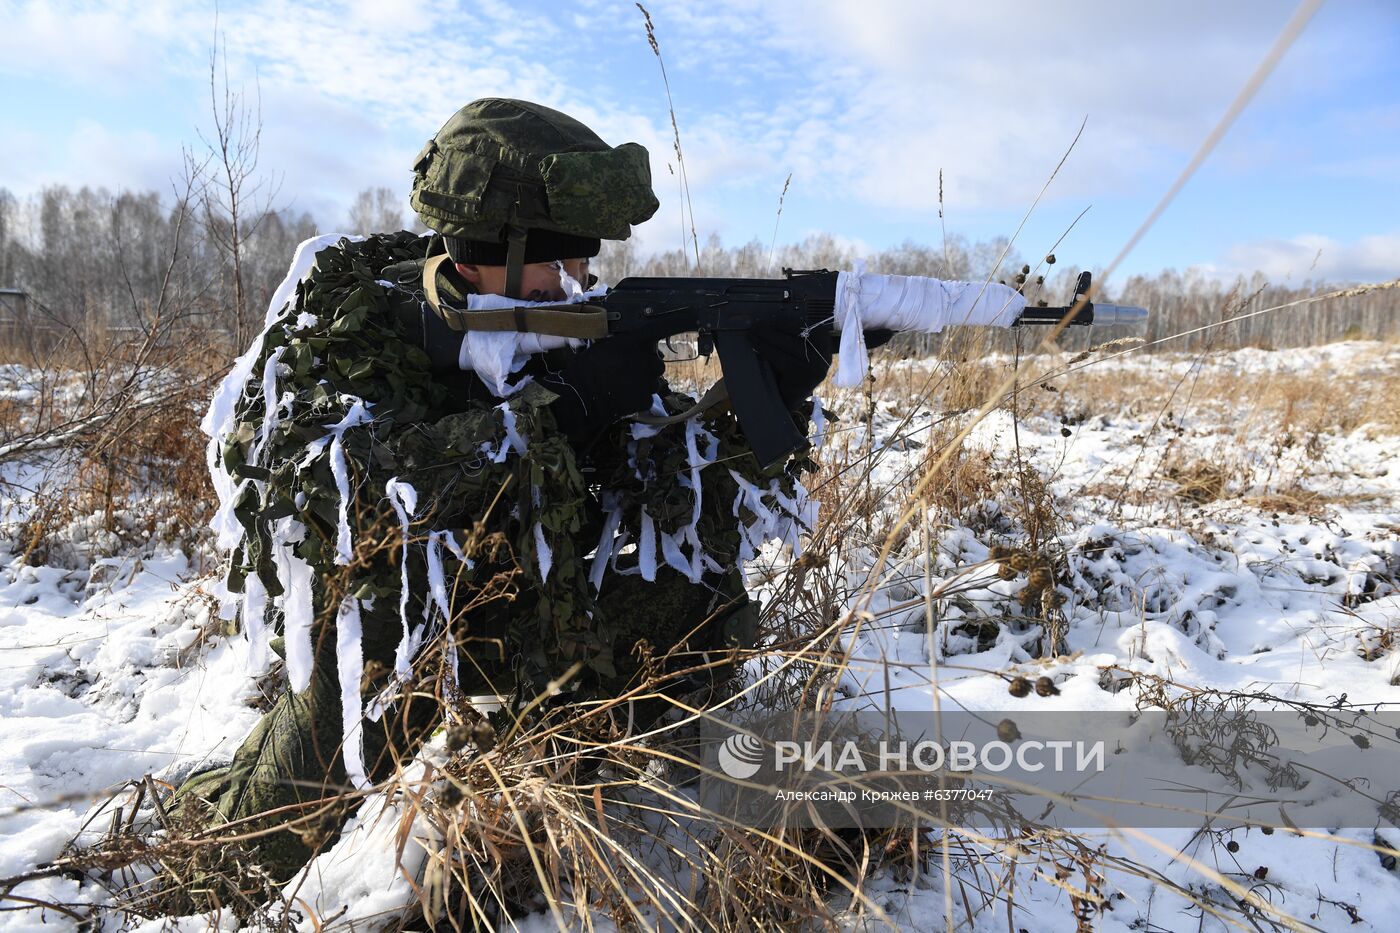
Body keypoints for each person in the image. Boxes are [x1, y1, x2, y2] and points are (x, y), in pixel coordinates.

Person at [170, 98, 832, 890]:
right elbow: (364, 514)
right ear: (500, 252)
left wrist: (769, 399)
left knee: (705, 593)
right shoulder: (350, 326)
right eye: (568, 262)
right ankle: (221, 863)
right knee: (386, 615)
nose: (583, 281)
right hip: (388, 640)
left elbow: (682, 511)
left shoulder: (556, 330)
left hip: (522, 611)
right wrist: (551, 422)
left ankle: (592, 788)